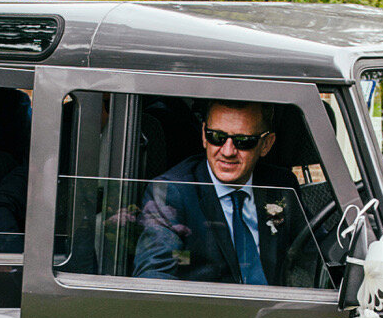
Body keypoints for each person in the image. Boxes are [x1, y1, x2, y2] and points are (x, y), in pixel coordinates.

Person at [131, 100, 313, 285]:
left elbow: (317, 253)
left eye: (243, 141)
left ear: (266, 144)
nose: (227, 151)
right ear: (203, 135)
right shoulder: (171, 192)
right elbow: (154, 276)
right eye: (216, 137)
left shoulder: (281, 185)